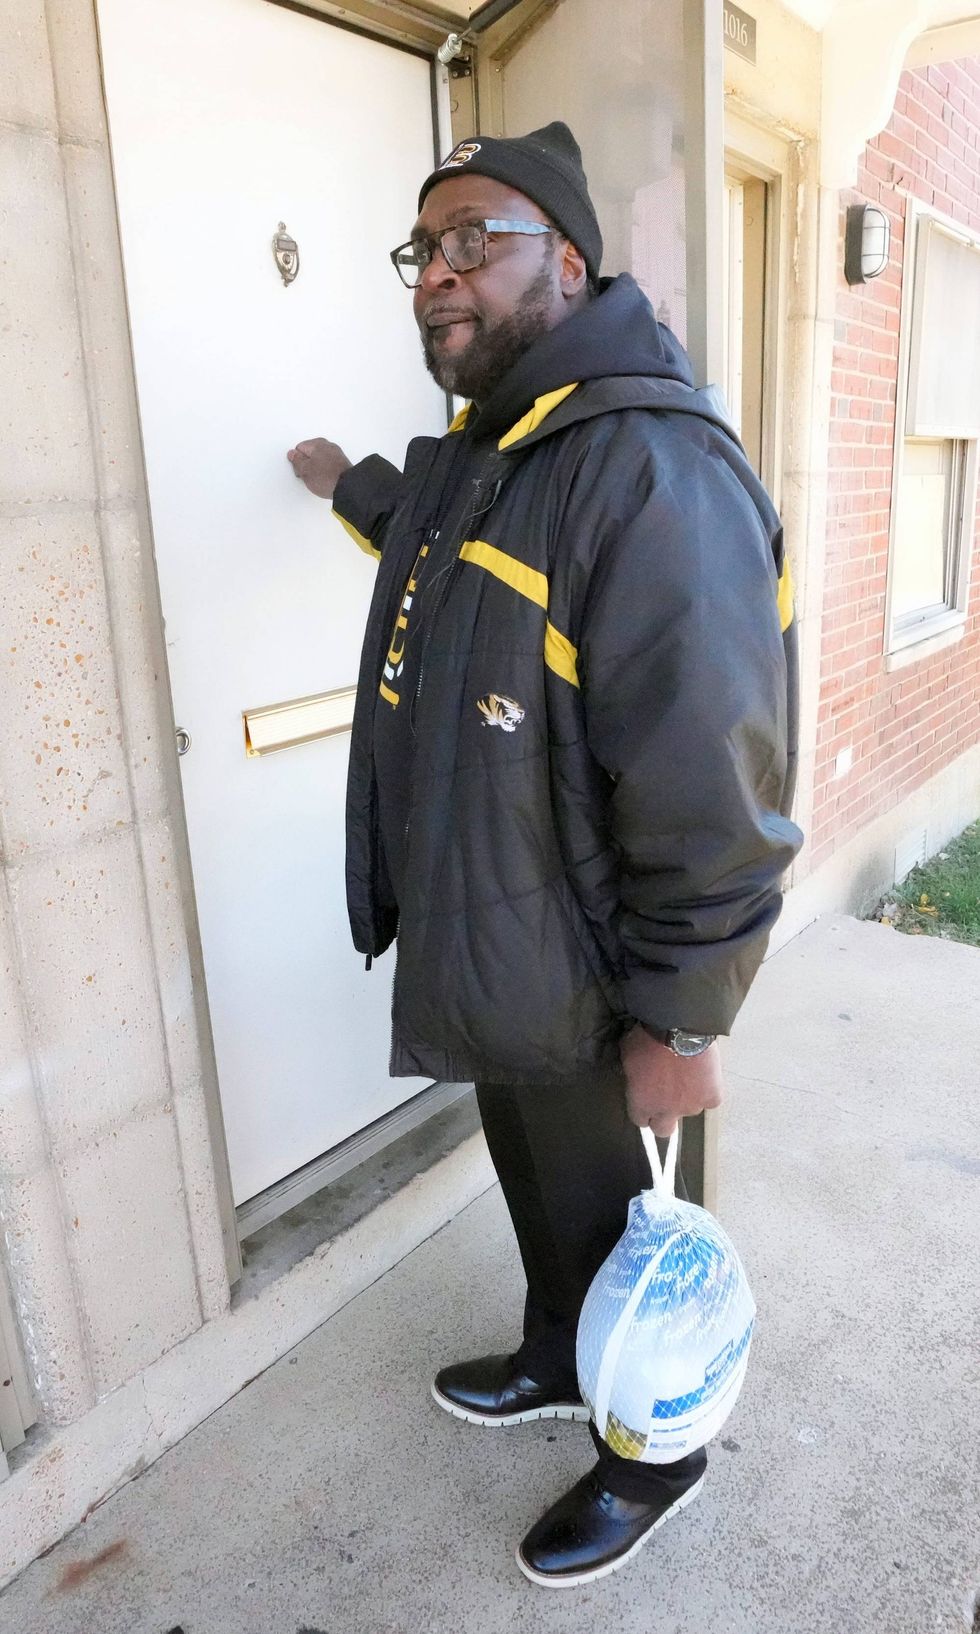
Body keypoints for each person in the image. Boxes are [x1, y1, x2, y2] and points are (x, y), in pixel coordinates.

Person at [287, 121, 801, 1589]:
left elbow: (720, 779)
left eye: (474, 240)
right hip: (511, 950)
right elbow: (426, 531)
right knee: (540, 1185)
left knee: (640, 1221)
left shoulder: (650, 467)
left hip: (607, 974)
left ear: (567, 261)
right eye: (421, 249)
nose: (436, 274)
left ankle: (660, 1450)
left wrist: (685, 1012)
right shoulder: (502, 454)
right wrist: (346, 482)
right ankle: (561, 1355)